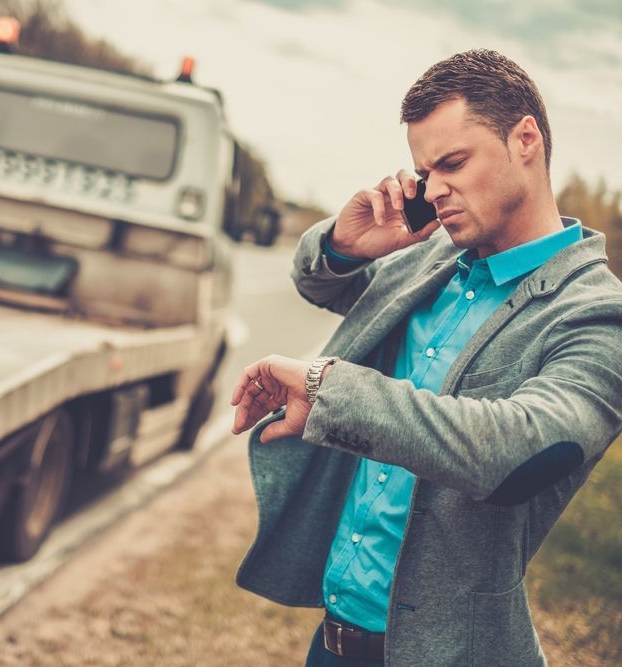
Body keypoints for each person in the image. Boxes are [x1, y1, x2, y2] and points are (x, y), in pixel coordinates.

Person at [229, 49, 622, 666]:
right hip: (331, 643)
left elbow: (515, 451)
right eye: (424, 171)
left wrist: (329, 391)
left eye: (453, 163)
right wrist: (344, 243)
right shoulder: (429, 258)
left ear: (526, 140)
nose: (434, 189)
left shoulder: (598, 313)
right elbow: (318, 283)